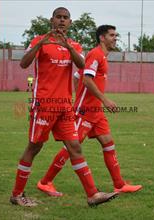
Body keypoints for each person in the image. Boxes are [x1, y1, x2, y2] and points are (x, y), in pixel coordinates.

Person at [10, 8, 118, 207]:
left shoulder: (74, 44)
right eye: (58, 17)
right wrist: (41, 44)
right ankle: (17, 194)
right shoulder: (39, 40)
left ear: (70, 22)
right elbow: (24, 64)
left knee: (75, 147)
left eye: (65, 18)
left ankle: (92, 195)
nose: (61, 21)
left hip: (65, 108)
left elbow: (82, 65)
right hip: (44, 105)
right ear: (52, 20)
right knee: (34, 147)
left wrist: (68, 47)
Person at [37, 25, 143, 197]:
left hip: (97, 112)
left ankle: (119, 185)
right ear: (102, 38)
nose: (115, 38)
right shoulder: (95, 54)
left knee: (109, 144)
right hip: (85, 111)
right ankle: (45, 182)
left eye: (116, 35)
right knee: (72, 147)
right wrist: (102, 100)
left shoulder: (103, 56)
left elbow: (78, 76)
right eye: (112, 35)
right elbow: (86, 80)